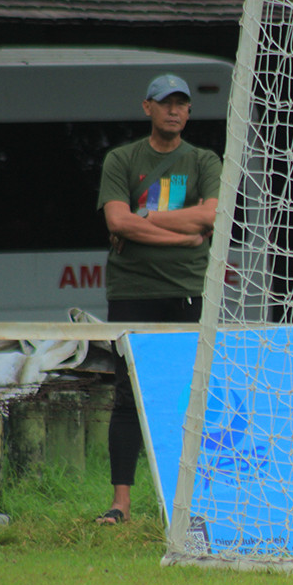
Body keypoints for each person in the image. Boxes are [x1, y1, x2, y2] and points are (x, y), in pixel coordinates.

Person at [95, 74, 222, 524]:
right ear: (147, 107)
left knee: (191, 396)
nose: (174, 110)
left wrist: (147, 216)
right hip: (133, 291)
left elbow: (211, 214)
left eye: (182, 103)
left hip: (187, 290)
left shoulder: (205, 159)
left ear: (189, 112)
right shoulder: (121, 159)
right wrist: (181, 236)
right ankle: (120, 505)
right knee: (128, 396)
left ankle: (192, 503)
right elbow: (117, 221)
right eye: (165, 102)